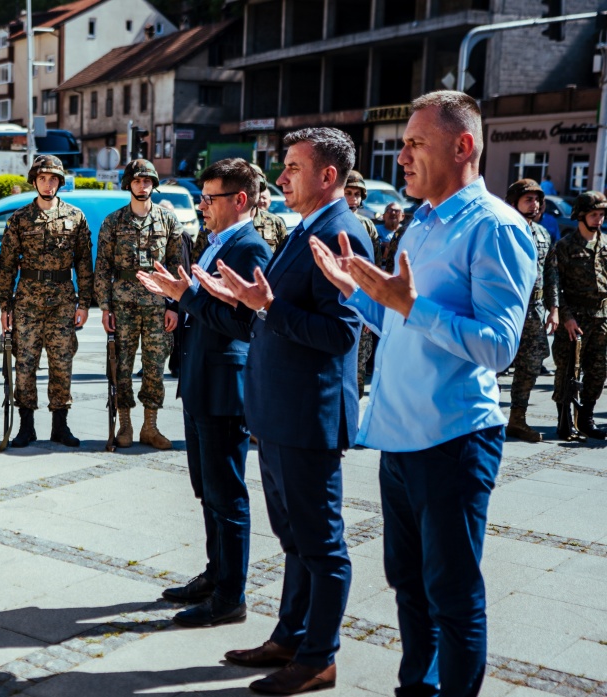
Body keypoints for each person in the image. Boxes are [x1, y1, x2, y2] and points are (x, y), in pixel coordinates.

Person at [310, 90, 536, 697]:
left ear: (462, 146)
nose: (401, 156)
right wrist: (361, 296)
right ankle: (418, 689)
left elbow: (497, 345)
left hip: (454, 439)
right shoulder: (423, 219)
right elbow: (405, 325)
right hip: (401, 439)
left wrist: (408, 302)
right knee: (407, 584)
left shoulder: (496, 227)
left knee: (453, 595)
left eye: (415, 143)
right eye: (403, 143)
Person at [194, 127, 371, 692]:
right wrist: (245, 301)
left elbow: (343, 334)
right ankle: (289, 637)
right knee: (295, 539)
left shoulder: (344, 232)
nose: (282, 176)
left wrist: (266, 306)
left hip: (309, 416)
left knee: (322, 544)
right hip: (278, 412)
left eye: (293, 167)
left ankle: (319, 657)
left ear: (326, 175)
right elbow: (274, 310)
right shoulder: (305, 229)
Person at [136, 158, 272, 629]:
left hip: (223, 388)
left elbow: (242, 324)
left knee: (227, 495)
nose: (202, 206)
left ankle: (230, 597)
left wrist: (187, 295)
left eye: (210, 198)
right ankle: (216, 575)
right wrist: (181, 294)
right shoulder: (218, 244)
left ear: (239, 200)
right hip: (201, 383)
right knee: (208, 492)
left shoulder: (250, 248)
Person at [0, 156, 93, 448]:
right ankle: (26, 426)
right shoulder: (20, 219)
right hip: (27, 302)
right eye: (42, 179)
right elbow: (8, 265)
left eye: (53, 179)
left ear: (60, 182)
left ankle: (60, 425)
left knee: (62, 363)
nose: (48, 184)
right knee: (25, 364)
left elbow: (84, 264)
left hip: (63, 301)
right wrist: (5, 306)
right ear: (34, 181)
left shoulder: (76, 217)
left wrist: (84, 303)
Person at [94, 159, 183, 450]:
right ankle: (126, 425)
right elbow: (102, 267)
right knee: (121, 366)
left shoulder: (168, 221)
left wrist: (175, 306)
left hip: (158, 305)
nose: (142, 186)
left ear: (154, 184)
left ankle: (150, 426)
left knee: (155, 366)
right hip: (123, 306)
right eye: (137, 181)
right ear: (128, 184)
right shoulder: (113, 221)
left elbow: (178, 266)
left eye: (147, 182)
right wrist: (105, 307)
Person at [546, 190, 607, 441]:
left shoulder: (606, 245)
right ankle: (564, 419)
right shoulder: (564, 246)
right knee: (567, 372)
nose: (599, 220)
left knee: (598, 370)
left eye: (602, 215)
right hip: (574, 320)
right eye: (594, 215)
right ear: (580, 215)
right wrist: (566, 316)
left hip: (601, 317)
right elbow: (555, 286)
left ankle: (586, 418)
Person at [504, 179, 558, 443]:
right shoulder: (501, 230)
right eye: (528, 199)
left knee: (531, 365)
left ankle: (517, 419)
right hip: (505, 308)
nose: (535, 204)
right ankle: (481, 419)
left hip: (534, 311)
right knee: (490, 363)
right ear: (513, 202)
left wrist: (554, 308)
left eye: (537, 199)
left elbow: (550, 273)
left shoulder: (542, 233)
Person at [345, 171, 381, 396]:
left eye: (357, 194)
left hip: (360, 305)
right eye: (348, 193)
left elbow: (375, 270)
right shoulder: (330, 222)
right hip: (335, 304)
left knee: (357, 372)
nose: (354, 199)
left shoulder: (368, 226)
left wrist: (370, 311)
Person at [251, 165, 288, 253]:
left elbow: (283, 257)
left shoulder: (274, 222)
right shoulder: (223, 222)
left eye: (255, 188)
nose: (250, 191)